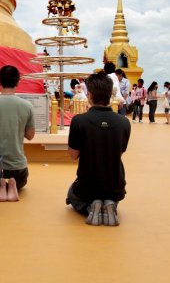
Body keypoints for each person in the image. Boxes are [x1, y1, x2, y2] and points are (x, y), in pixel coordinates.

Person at [66, 73, 131, 226]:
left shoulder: (79, 121)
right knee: (111, 195)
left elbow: (73, 155)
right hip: (114, 185)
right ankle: (110, 204)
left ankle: (91, 206)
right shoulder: (124, 123)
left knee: (71, 194)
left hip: (87, 185)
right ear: (111, 94)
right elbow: (118, 152)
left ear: (90, 95)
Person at [0, 66, 35, 202]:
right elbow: (30, 135)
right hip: (18, 170)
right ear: (17, 82)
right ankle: (12, 185)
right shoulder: (27, 106)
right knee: (19, 179)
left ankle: (0, 186)